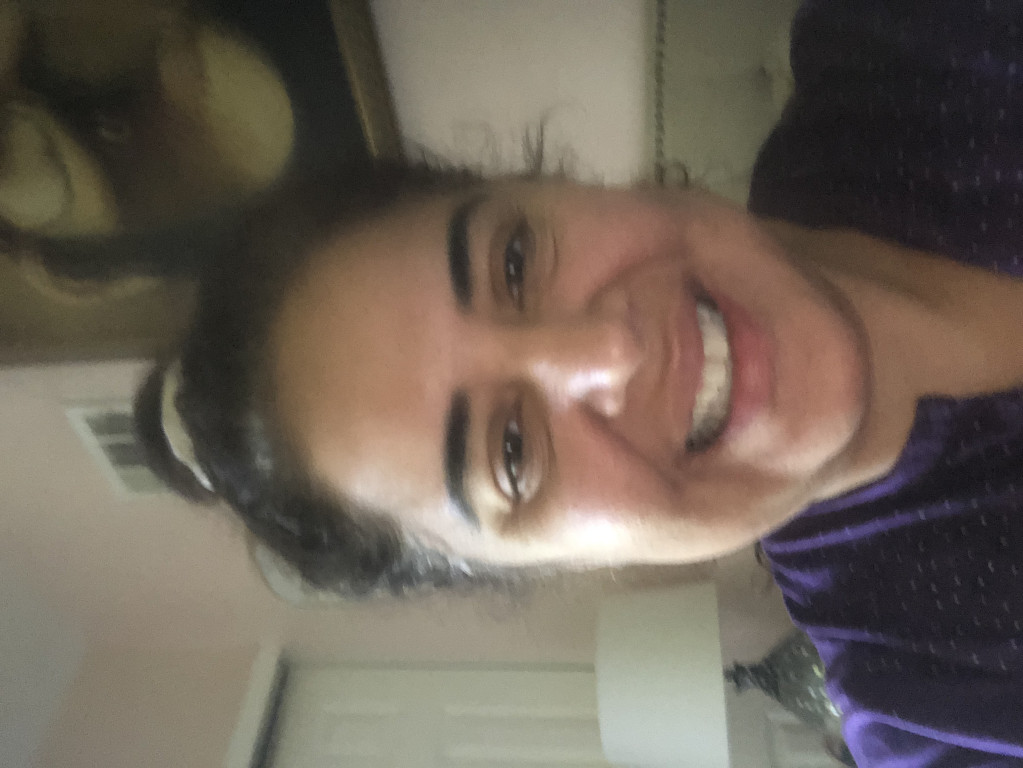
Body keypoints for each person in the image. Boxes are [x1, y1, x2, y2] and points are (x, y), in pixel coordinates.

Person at [135, 1, 1023, 765]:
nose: (609, 352)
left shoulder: (907, 34)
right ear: (575, 565)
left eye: (514, 262)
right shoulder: (941, 714)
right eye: (511, 452)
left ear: (548, 182)